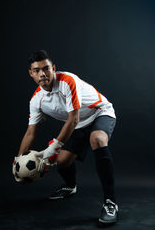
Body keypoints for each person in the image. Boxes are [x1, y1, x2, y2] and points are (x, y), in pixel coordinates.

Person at [13, 49, 118, 225]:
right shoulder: (36, 100)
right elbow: (31, 132)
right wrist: (18, 161)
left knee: (97, 139)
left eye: (46, 68)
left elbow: (73, 118)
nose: (43, 74)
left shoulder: (67, 81)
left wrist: (52, 148)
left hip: (99, 113)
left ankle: (110, 202)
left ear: (53, 68)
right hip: (78, 124)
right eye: (37, 70)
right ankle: (70, 186)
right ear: (31, 74)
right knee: (61, 161)